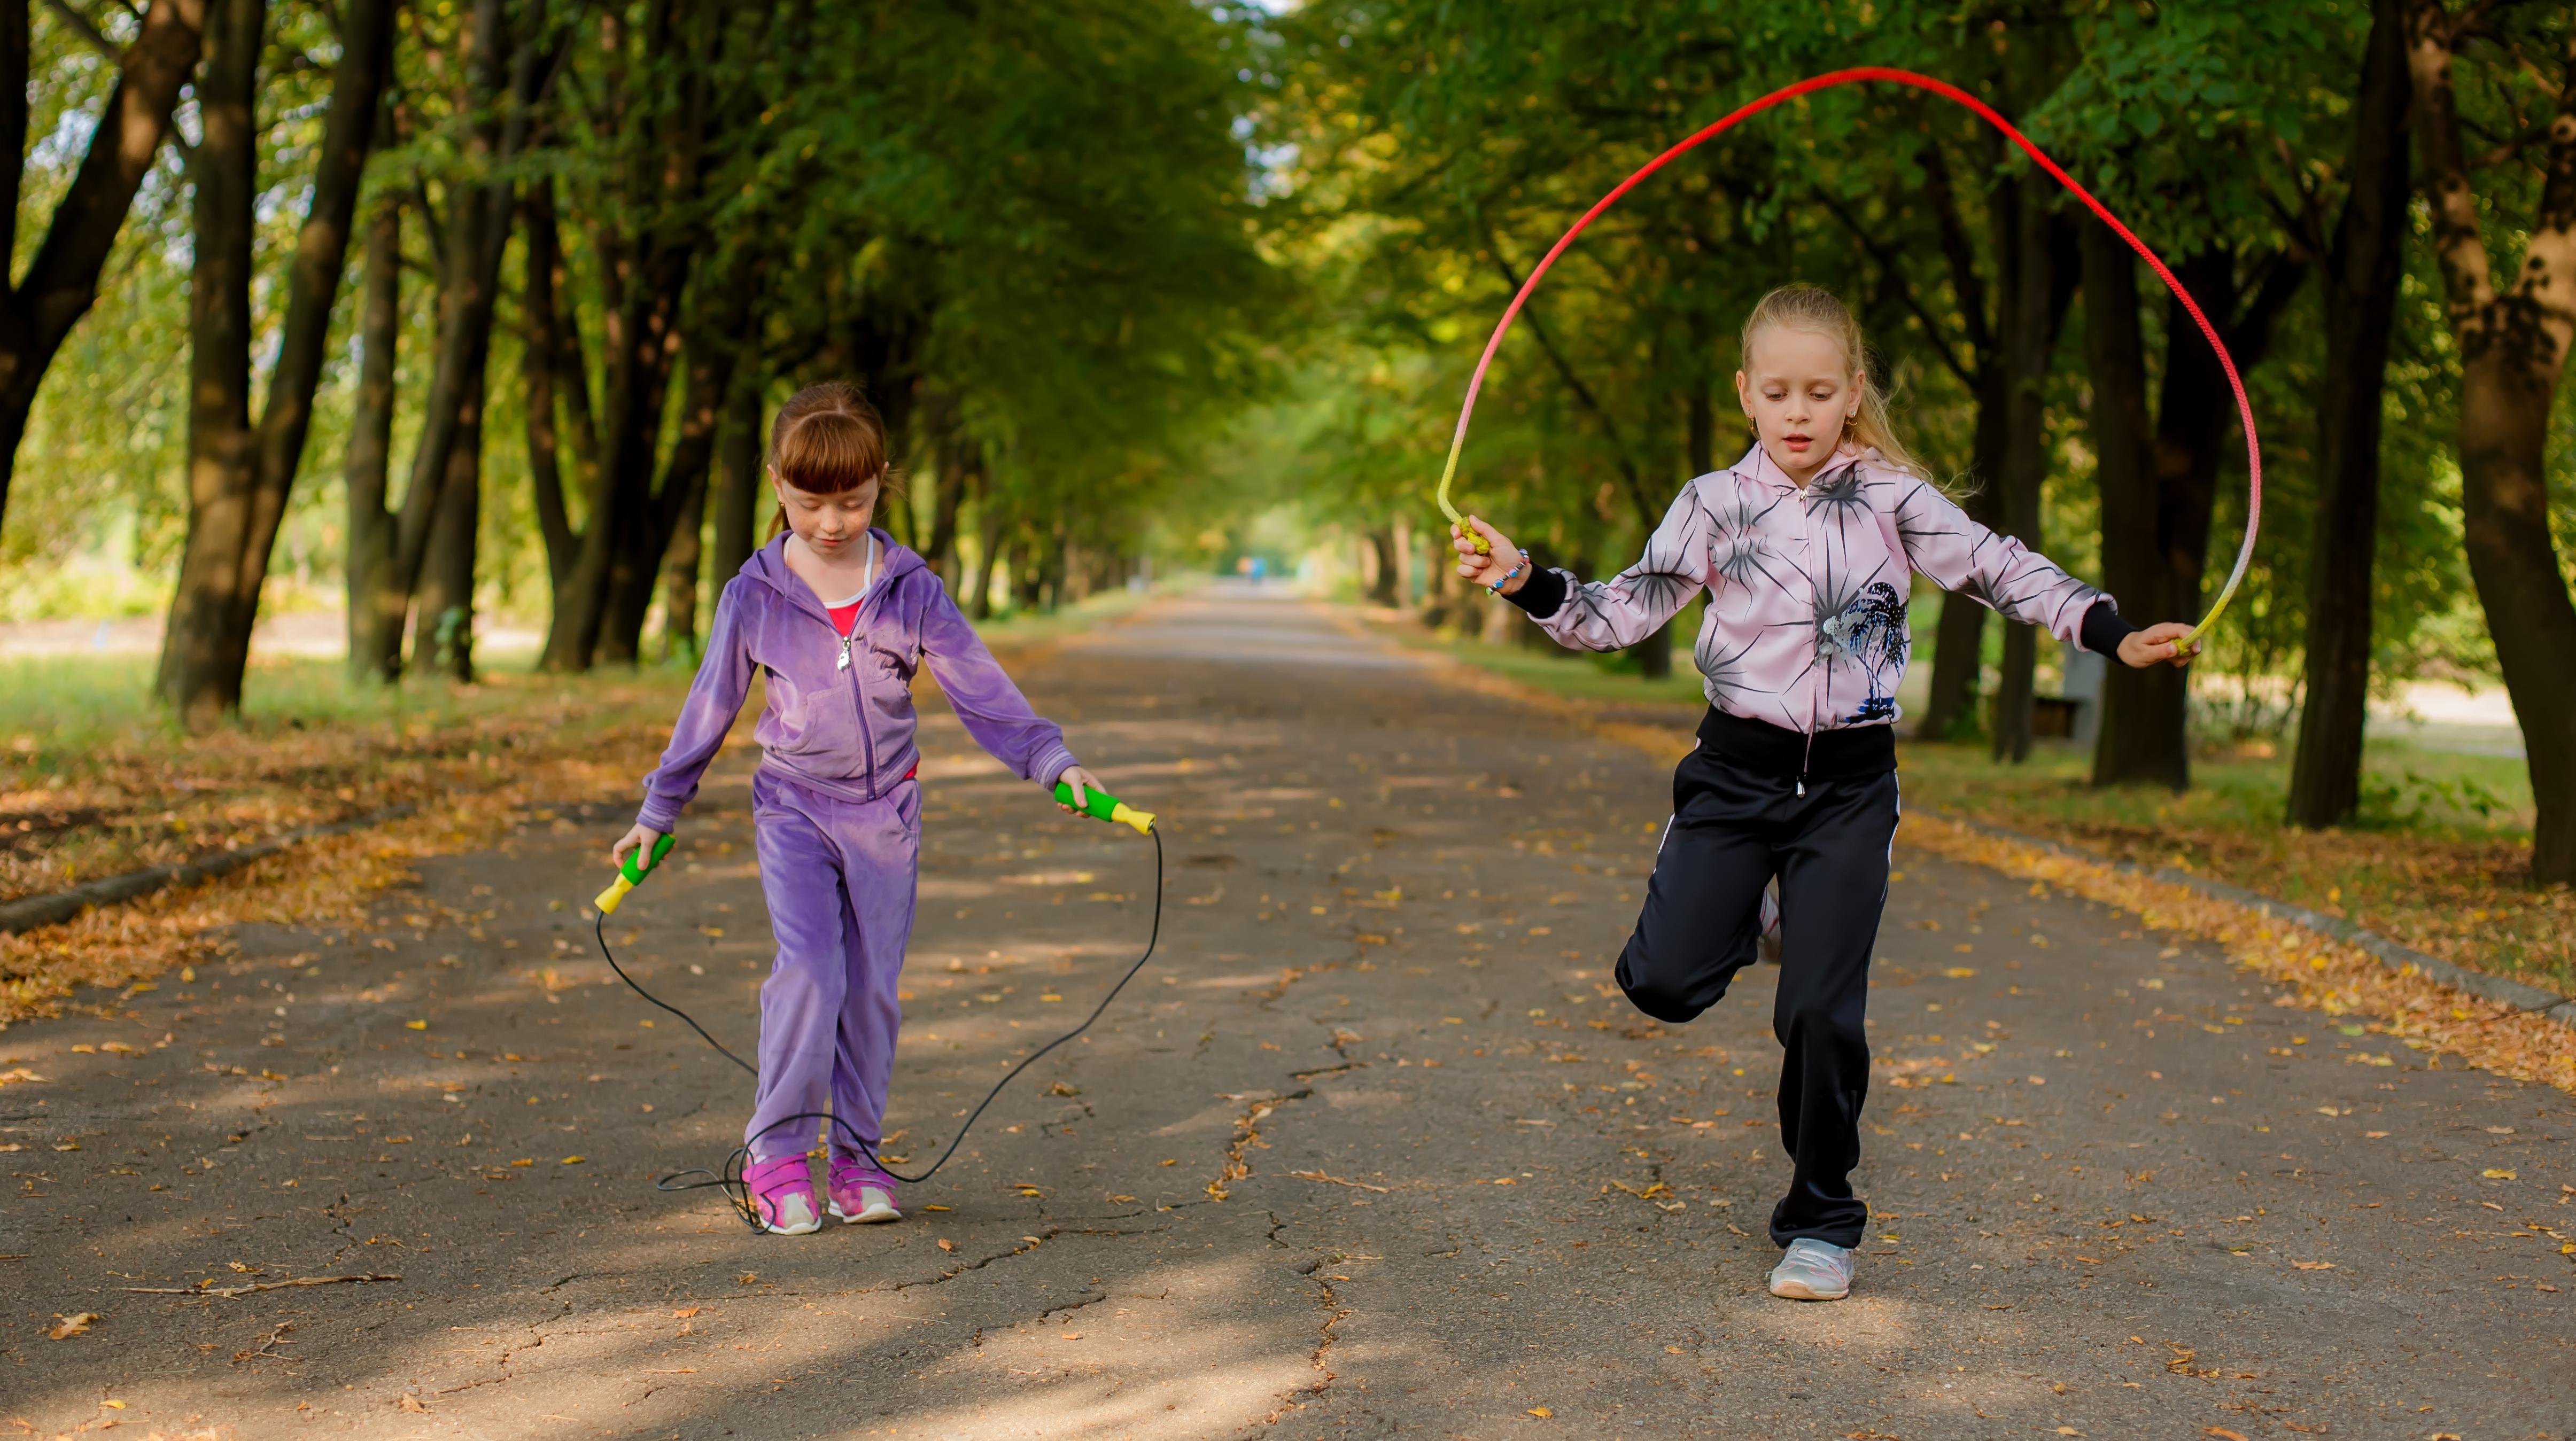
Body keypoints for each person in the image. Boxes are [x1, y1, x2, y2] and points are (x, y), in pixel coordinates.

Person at [1451, 285, 2198, 1302]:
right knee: (1661, 982)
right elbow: (1622, 612)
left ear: (1852, 393)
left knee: (1821, 1010)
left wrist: (2110, 630)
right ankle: (1753, 902)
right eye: (1777, 392)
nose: (1797, 411)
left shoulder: (1892, 498)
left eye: (1818, 390)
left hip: (1849, 789)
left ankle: (1821, 1220)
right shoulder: (1713, 502)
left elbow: (1996, 568)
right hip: (1733, 774)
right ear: (1746, 397)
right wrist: (1524, 577)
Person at [611, 381, 1105, 1236]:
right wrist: (659, 810)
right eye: (811, 503)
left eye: (854, 500)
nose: (833, 521)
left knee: (872, 990)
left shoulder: (911, 588)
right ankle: (775, 1157)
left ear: (881, 481)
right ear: (776, 486)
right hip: (794, 809)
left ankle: (857, 1158)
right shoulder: (755, 594)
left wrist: (1050, 760)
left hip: (888, 816)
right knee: (810, 971)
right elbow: (708, 708)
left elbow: (980, 690)